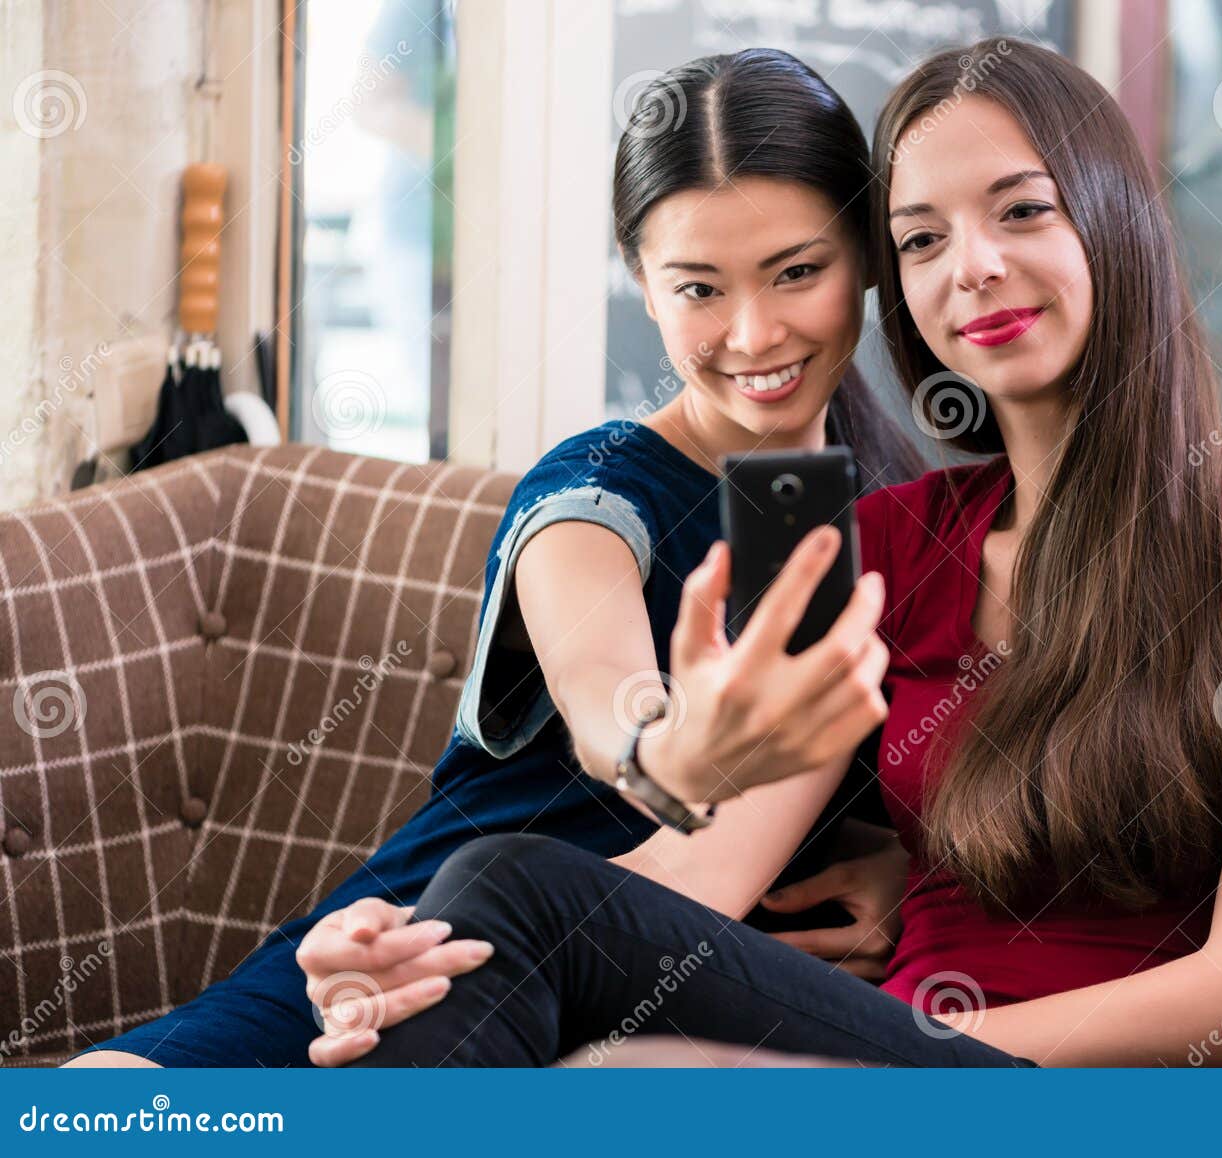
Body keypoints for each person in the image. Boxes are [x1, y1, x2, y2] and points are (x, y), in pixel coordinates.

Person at [327, 39, 1222, 1068]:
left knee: (527, 928)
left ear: (1117, 217)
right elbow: (701, 868)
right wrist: (421, 944)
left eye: (1021, 211)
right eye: (921, 240)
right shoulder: (880, 541)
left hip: (1054, 1080)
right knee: (487, 919)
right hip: (876, 1051)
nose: (973, 268)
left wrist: (879, 1076)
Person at [63, 48, 923, 1069]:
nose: (752, 332)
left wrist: (900, 871)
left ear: (865, 257)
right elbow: (614, 704)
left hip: (618, 1017)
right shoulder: (592, 497)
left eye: (798, 271)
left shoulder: (887, 514)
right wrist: (666, 750)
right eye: (698, 287)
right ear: (642, 284)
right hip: (408, 951)